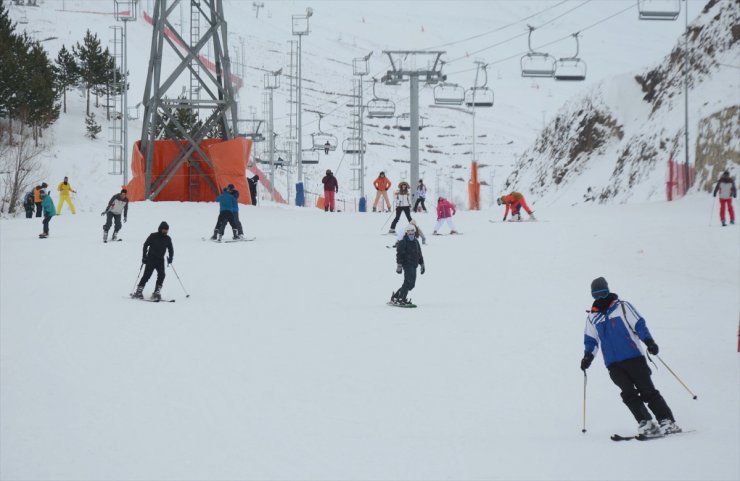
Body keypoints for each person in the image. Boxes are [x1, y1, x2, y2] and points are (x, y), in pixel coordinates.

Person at [580, 277, 681, 437]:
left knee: (647, 391)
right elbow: (591, 340)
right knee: (627, 393)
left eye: (603, 293)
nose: (601, 298)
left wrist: (649, 341)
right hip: (613, 364)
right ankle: (646, 423)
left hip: (633, 357)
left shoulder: (622, 307)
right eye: (597, 295)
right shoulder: (592, 318)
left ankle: (667, 421)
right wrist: (588, 357)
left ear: (608, 290)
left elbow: (639, 324)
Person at [132, 222, 173, 301]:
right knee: (147, 275)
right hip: (151, 259)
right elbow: (145, 245)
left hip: (160, 260)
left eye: (167, 230)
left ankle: (156, 293)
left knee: (162, 275)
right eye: (164, 230)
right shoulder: (153, 236)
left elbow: (171, 249)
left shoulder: (168, 238)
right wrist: (144, 256)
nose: (166, 231)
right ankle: (138, 292)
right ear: (160, 229)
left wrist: (171, 258)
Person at [390, 223, 425, 306]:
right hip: (407, 264)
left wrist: (422, 264)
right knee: (408, 282)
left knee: (412, 285)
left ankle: (396, 296)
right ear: (406, 232)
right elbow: (399, 254)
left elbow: (419, 253)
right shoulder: (403, 242)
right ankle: (401, 298)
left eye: (412, 231)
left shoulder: (416, 241)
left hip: (414, 264)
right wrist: (399, 265)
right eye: (409, 231)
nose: (411, 233)